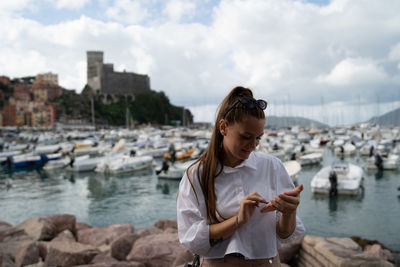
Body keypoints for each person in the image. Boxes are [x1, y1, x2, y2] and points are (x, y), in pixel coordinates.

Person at [177, 86, 305, 267]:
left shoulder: (272, 166)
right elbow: (190, 238)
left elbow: (285, 234)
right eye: (246, 137)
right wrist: (238, 220)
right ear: (223, 127)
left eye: (258, 138)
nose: (253, 145)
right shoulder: (196, 174)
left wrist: (289, 212)